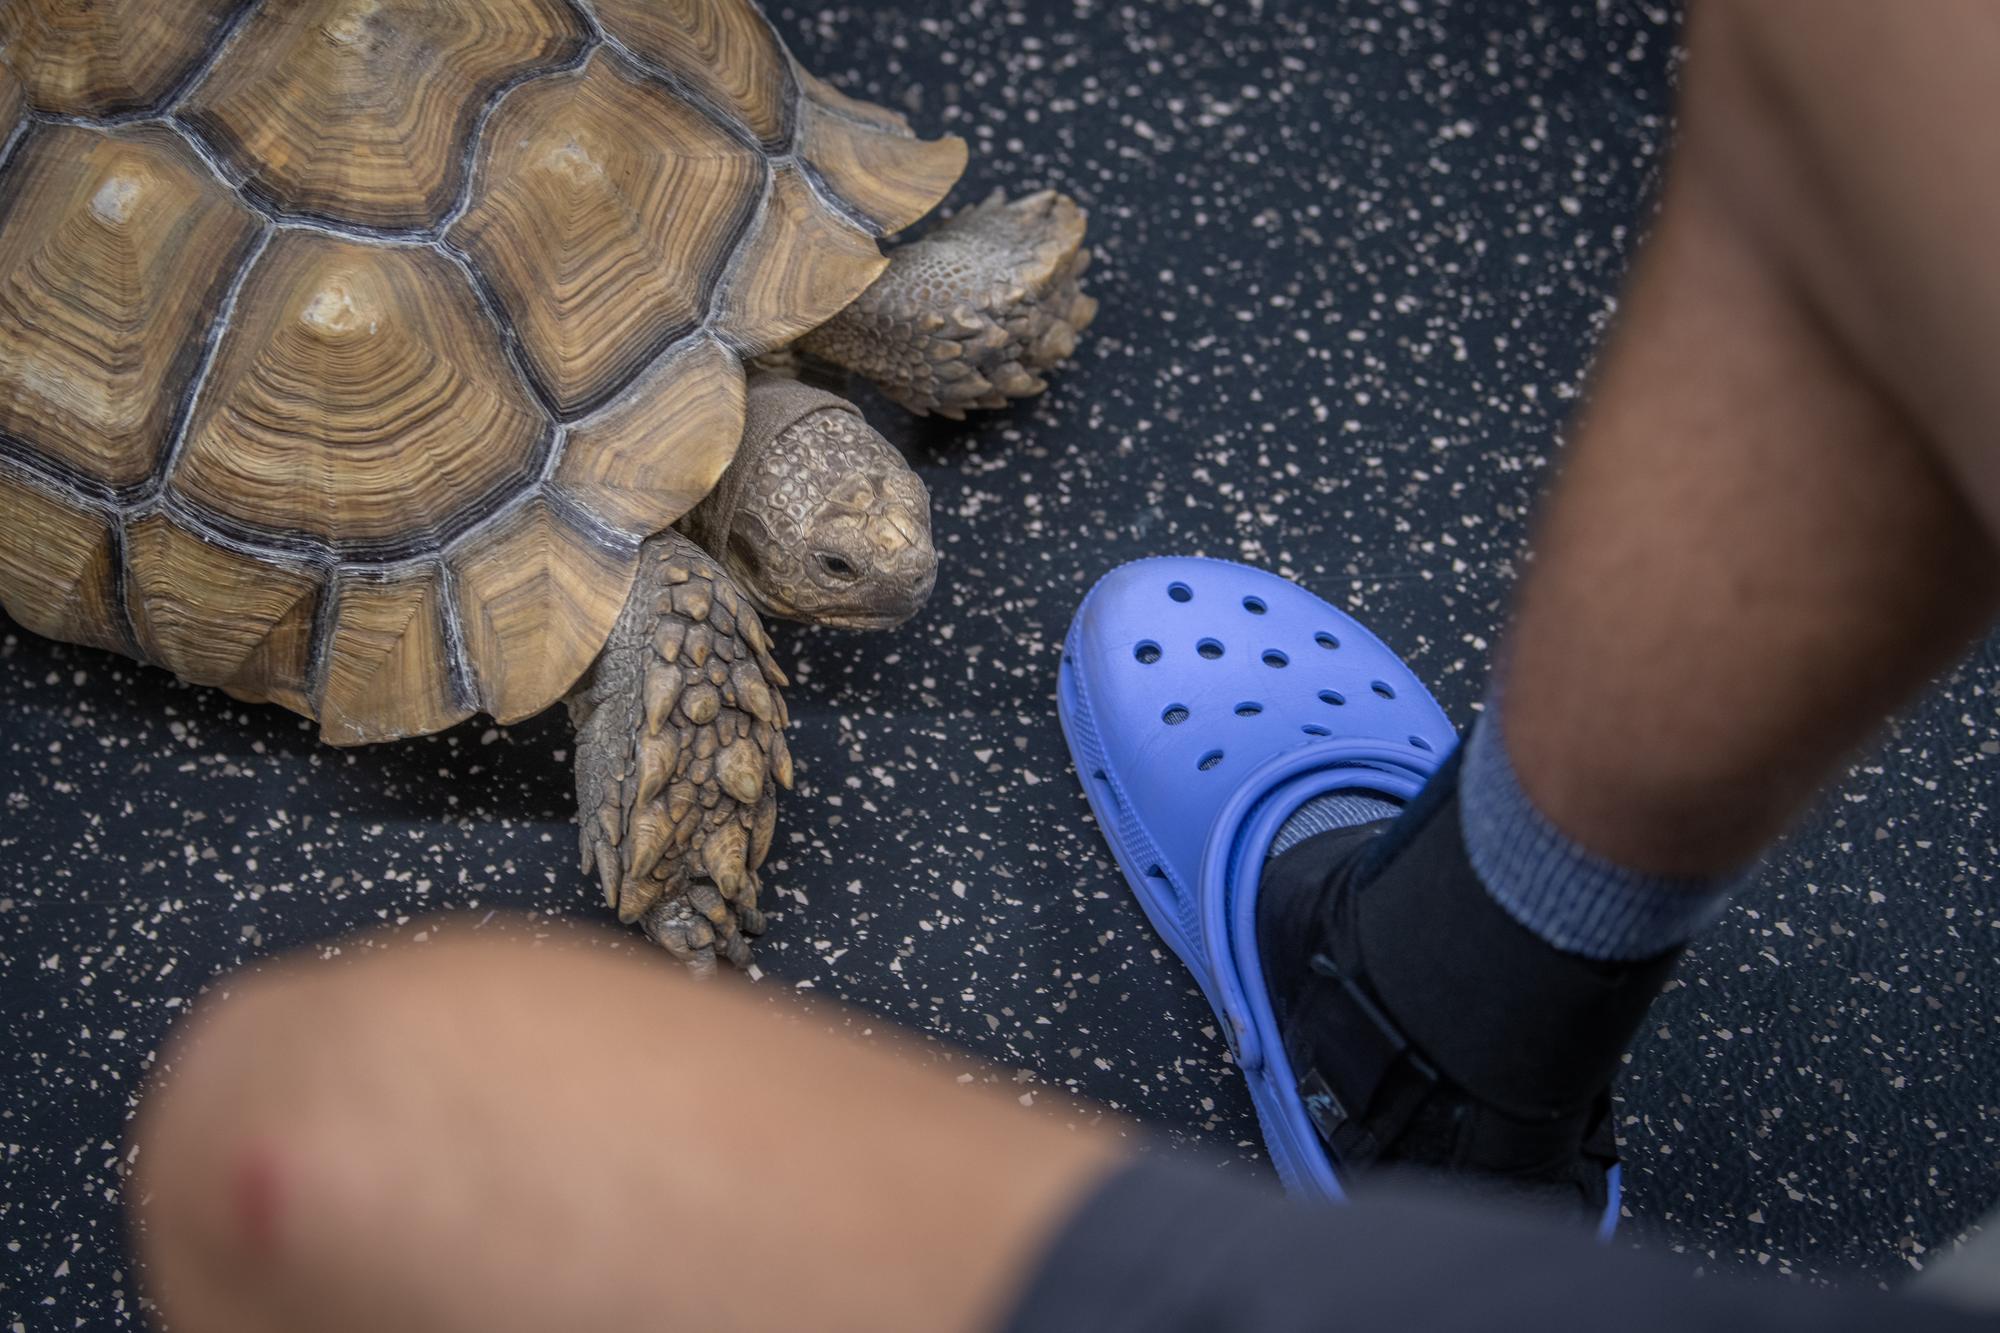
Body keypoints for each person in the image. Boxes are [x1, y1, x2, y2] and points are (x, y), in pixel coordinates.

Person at [130, 3, 2000, 1328]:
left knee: (305, 1138)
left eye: (869, 525)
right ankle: (1488, 970)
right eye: (845, 555)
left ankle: (1451, 991)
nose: (903, 558)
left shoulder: (747, 506)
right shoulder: (726, 534)